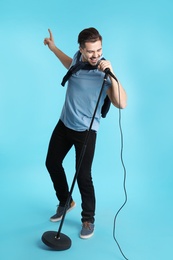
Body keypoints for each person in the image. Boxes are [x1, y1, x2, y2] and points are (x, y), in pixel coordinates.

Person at [43, 27, 127, 239]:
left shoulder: (104, 74)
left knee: (83, 175)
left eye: (99, 50)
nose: (95, 55)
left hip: (86, 131)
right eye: (90, 51)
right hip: (64, 124)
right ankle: (66, 201)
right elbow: (68, 64)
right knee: (51, 163)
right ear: (81, 50)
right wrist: (53, 48)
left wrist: (113, 73)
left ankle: (88, 219)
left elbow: (122, 103)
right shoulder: (77, 60)